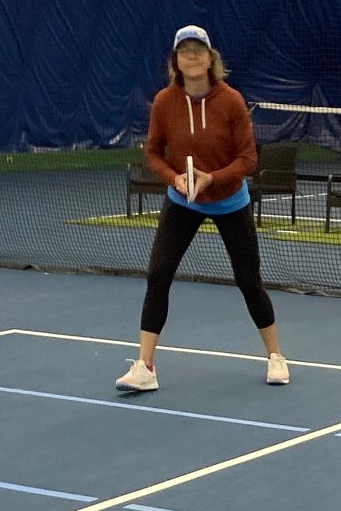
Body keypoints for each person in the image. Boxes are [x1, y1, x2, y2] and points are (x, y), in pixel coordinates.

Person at [116, 26, 288, 393]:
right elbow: (152, 153)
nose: (192, 56)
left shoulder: (231, 101)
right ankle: (145, 367)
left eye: (198, 50)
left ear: (210, 59)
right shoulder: (164, 102)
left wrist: (214, 179)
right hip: (183, 201)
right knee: (158, 274)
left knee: (248, 280)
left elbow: (248, 159)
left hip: (230, 201)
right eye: (185, 51)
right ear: (176, 61)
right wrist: (174, 178)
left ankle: (275, 356)